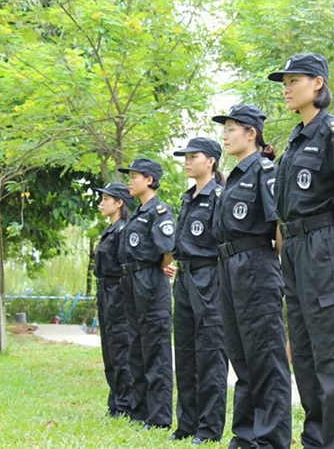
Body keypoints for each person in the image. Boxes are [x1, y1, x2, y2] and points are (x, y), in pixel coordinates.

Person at [267, 53, 334, 448]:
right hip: (296, 252)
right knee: (307, 357)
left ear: (317, 84)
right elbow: (285, 211)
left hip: (327, 249)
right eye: (284, 82)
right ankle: (316, 442)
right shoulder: (295, 143)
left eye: (294, 80)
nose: (286, 88)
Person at [211, 104, 292, 449]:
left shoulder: (264, 170)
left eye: (231, 129)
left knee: (266, 360)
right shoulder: (233, 177)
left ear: (251, 133)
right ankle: (245, 438)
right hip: (229, 268)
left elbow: (280, 226)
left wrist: (278, 271)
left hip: (256, 265)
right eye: (224, 129)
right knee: (241, 359)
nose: (225, 136)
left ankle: (271, 440)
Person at [166, 137, 228, 444]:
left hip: (209, 277)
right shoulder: (188, 198)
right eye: (186, 157)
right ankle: (186, 424)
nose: (187, 161)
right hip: (185, 279)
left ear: (211, 161)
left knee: (210, 354)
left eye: (194, 156)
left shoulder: (219, 196)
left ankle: (208, 428)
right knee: (185, 353)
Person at [117, 158, 176, 430]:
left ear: (149, 180)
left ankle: (159, 417)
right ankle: (140, 412)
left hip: (150, 281)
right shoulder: (137, 213)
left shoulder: (159, 211)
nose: (129, 181)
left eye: (134, 177)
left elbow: (168, 251)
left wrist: (157, 269)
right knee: (137, 348)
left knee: (156, 350)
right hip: (132, 282)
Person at [93, 182, 135, 419]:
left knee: (120, 349)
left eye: (106, 199)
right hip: (105, 293)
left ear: (119, 203)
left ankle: (125, 405)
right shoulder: (111, 230)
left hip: (118, 293)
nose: (101, 204)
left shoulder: (124, 231)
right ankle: (115, 402)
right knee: (109, 349)